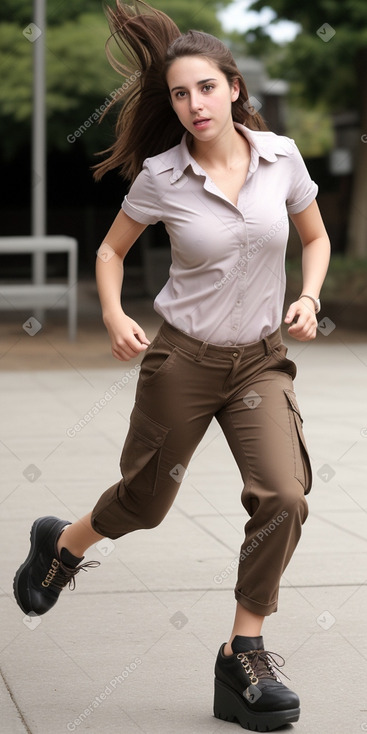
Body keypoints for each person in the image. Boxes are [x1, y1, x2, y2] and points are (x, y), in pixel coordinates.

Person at [13, 1, 330, 731]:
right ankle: (62, 544)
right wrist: (116, 311)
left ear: (233, 88)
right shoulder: (162, 175)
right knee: (145, 504)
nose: (193, 105)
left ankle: (240, 653)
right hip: (181, 360)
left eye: (206, 89)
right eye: (180, 94)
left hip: (258, 364)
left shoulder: (281, 157)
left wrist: (309, 297)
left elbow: (311, 238)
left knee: (283, 494)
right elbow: (108, 250)